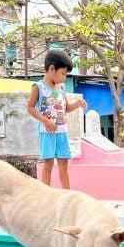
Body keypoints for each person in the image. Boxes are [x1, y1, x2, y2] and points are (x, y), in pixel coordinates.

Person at [26, 50, 86, 189]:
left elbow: (66, 109)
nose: (64, 77)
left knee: (63, 164)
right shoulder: (38, 87)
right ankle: (46, 194)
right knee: (48, 164)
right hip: (47, 133)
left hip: (62, 132)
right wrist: (45, 121)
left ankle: (67, 193)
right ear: (52, 69)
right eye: (63, 73)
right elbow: (30, 108)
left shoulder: (61, 88)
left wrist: (77, 104)